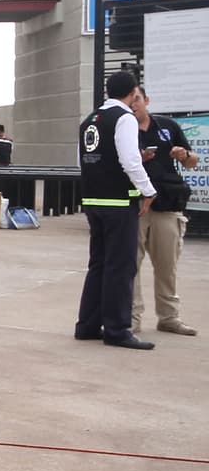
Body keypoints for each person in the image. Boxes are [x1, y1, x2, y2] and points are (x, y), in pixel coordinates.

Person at [74, 71, 157, 350]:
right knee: (121, 267)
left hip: (94, 201)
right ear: (133, 93)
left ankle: (87, 324)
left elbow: (82, 161)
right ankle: (118, 329)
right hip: (119, 203)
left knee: (98, 264)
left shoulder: (89, 121)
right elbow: (130, 161)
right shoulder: (124, 118)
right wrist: (148, 190)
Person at [132, 86, 198, 336]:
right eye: (130, 100)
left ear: (146, 100)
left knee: (167, 264)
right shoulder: (123, 130)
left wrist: (184, 155)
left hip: (167, 205)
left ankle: (169, 317)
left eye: (137, 99)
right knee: (131, 265)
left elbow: (193, 161)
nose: (134, 105)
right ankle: (131, 318)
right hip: (136, 205)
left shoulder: (166, 126)